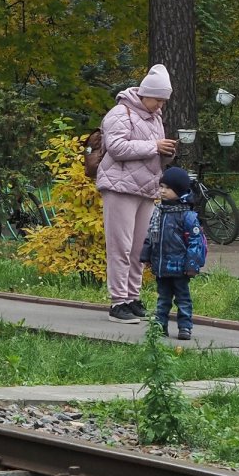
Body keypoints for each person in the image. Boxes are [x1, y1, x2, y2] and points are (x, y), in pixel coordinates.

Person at [96, 63, 178, 321]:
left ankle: (132, 297)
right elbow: (117, 148)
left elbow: (153, 154)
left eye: (164, 101)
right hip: (119, 188)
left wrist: (166, 152)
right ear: (145, 93)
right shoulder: (120, 113)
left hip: (146, 189)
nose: (160, 106)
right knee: (120, 246)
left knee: (139, 248)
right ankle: (117, 301)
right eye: (158, 100)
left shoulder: (155, 119)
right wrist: (154, 146)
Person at [141, 166, 206, 340]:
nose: (162, 190)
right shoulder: (159, 212)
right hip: (161, 265)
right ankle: (160, 325)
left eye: (167, 187)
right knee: (163, 299)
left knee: (183, 299)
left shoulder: (187, 216)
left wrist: (192, 264)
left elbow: (195, 242)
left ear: (179, 190)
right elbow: (151, 235)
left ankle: (185, 327)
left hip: (180, 268)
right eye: (161, 186)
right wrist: (146, 256)